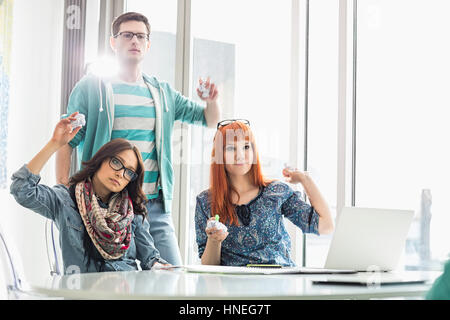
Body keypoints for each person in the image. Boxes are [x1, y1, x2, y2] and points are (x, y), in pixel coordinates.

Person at [55, 12, 220, 265]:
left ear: (148, 44)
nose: (135, 41)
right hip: (104, 206)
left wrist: (211, 101)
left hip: (152, 206)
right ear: (113, 42)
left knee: (171, 279)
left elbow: (208, 119)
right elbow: (67, 140)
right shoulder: (91, 88)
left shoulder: (162, 93)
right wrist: (66, 193)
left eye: (141, 36)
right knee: (110, 283)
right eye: (127, 35)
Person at [11, 113, 169, 274]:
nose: (120, 174)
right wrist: (54, 144)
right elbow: (21, 189)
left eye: (129, 172)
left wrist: (161, 266)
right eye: (116, 162)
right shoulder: (66, 200)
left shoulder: (132, 211)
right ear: (101, 159)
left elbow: (151, 259)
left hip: (125, 291)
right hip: (83, 292)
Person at [195, 120, 334, 266]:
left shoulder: (276, 192)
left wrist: (306, 180)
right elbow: (209, 266)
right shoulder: (206, 201)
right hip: (233, 285)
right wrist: (214, 240)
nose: (240, 155)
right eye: (231, 149)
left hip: (279, 282)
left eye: (246, 147)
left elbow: (326, 226)